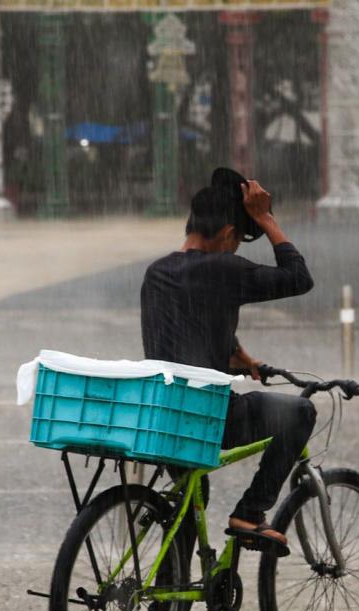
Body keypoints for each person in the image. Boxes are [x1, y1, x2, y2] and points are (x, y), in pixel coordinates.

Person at [140, 168, 317, 556]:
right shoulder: (223, 270)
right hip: (206, 416)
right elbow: (298, 278)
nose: (236, 249)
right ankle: (250, 513)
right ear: (225, 234)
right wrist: (267, 220)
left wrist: (234, 352)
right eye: (237, 240)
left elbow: (185, 328)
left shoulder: (157, 274)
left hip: (162, 416)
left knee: (189, 500)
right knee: (300, 412)